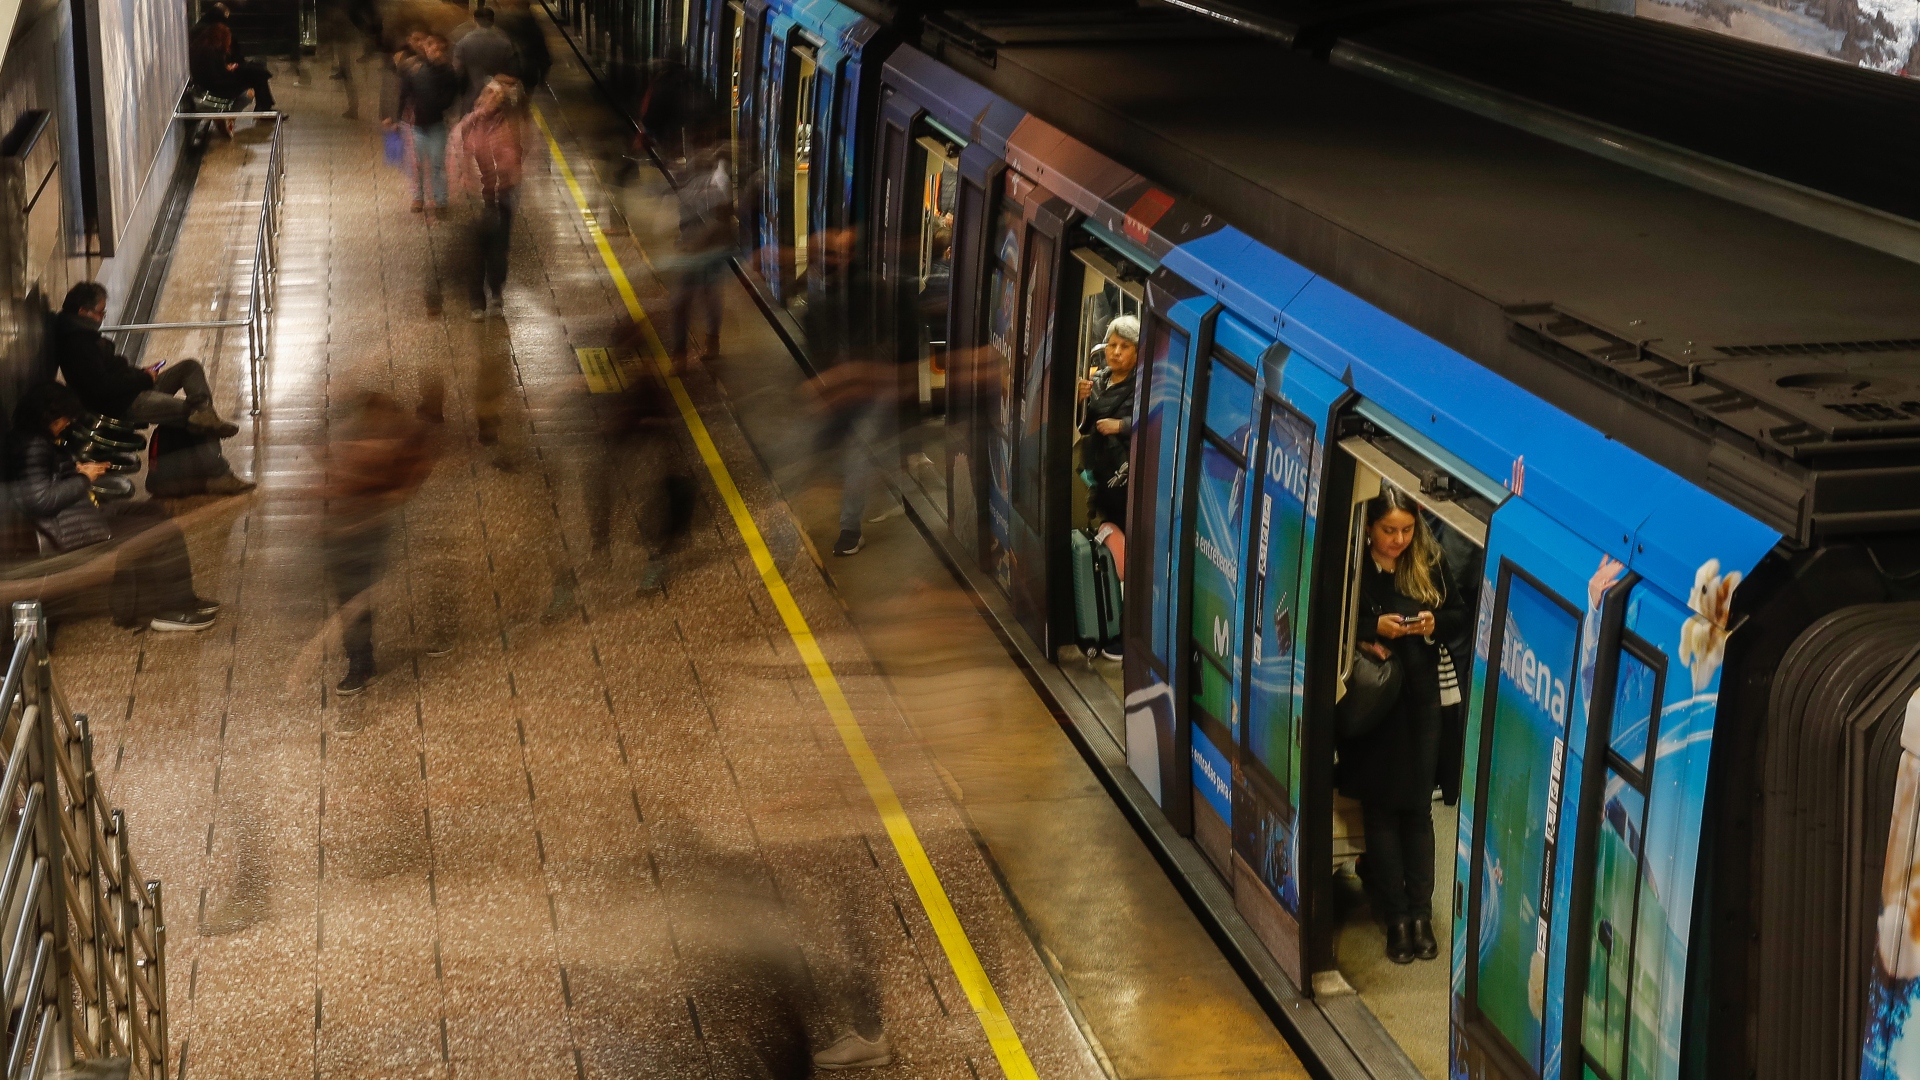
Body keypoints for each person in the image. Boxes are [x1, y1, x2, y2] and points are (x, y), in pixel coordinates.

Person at [1340, 485, 1465, 965]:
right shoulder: (1355, 566)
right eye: (1389, 531)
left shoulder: (1428, 563)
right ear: (1369, 527)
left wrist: (1433, 624)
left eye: (1407, 530)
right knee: (1381, 813)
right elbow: (1330, 617)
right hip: (1372, 705)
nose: (1398, 540)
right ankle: (1395, 918)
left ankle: (1421, 915)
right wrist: (1374, 628)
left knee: (1417, 810)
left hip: (1420, 702)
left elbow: (1457, 616)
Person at [7, 384, 220, 632]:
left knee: (153, 513)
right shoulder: (34, 445)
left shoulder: (32, 440)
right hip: (68, 528)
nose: (67, 423)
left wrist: (75, 470)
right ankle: (171, 610)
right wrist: (84, 478)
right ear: (47, 417)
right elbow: (41, 500)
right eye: (64, 418)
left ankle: (173, 600)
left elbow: (41, 482)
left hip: (74, 516)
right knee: (159, 533)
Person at [53, 284, 257, 496]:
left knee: (189, 367)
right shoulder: (78, 344)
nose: (102, 317)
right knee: (191, 415)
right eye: (100, 312)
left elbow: (112, 373)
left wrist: (142, 374)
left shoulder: (82, 335)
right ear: (82, 311)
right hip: (124, 402)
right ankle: (219, 474)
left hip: (131, 388)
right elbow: (102, 387)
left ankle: (203, 410)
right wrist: (142, 378)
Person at [323, 392, 439, 696]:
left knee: (357, 591)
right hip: (349, 526)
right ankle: (360, 660)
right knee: (352, 592)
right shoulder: (353, 439)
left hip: (370, 524)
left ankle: (363, 660)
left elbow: (410, 482)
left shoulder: (406, 442)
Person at [449, 76, 526, 318]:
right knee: (475, 250)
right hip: (476, 196)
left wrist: (511, 173)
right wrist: (456, 185)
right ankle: (476, 301)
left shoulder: (510, 124)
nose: (493, 100)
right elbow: (455, 154)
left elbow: (519, 153)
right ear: (481, 98)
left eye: (498, 97)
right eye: (489, 95)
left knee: (499, 248)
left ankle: (496, 292)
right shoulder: (468, 124)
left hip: (503, 194)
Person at [667, 146, 734, 368]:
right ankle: (689, 351)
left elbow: (722, 221)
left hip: (707, 253)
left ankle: (687, 352)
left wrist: (696, 243)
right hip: (696, 252)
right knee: (697, 299)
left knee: (693, 300)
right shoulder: (688, 191)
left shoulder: (717, 188)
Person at [1076, 314, 1139, 531]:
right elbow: (1082, 426)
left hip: (1126, 480)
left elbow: (1156, 423)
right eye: (1112, 345)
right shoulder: (1098, 380)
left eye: (1125, 346)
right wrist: (1077, 401)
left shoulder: (1144, 387)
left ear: (1138, 352)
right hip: (1099, 473)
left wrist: (1122, 426)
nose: (1116, 352)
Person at [393, 33, 461, 215]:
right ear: (426, 48)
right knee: (416, 164)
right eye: (431, 46)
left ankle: (440, 199)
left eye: (439, 48)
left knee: (437, 164)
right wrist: (397, 118)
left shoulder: (448, 72)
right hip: (416, 125)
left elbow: (450, 98)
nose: (434, 51)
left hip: (437, 125)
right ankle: (418, 197)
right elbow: (403, 94)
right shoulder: (414, 69)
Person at [188, 4, 277, 113]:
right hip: (217, 84)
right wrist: (229, 68)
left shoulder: (205, 37)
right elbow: (215, 72)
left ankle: (264, 106)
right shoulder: (209, 39)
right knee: (256, 73)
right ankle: (264, 107)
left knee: (256, 70)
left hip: (215, 78)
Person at [452, 7, 517, 113]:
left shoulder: (463, 43)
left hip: (471, 98)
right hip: (498, 99)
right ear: (493, 20)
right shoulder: (506, 42)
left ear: (474, 19)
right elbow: (514, 72)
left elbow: (457, 72)